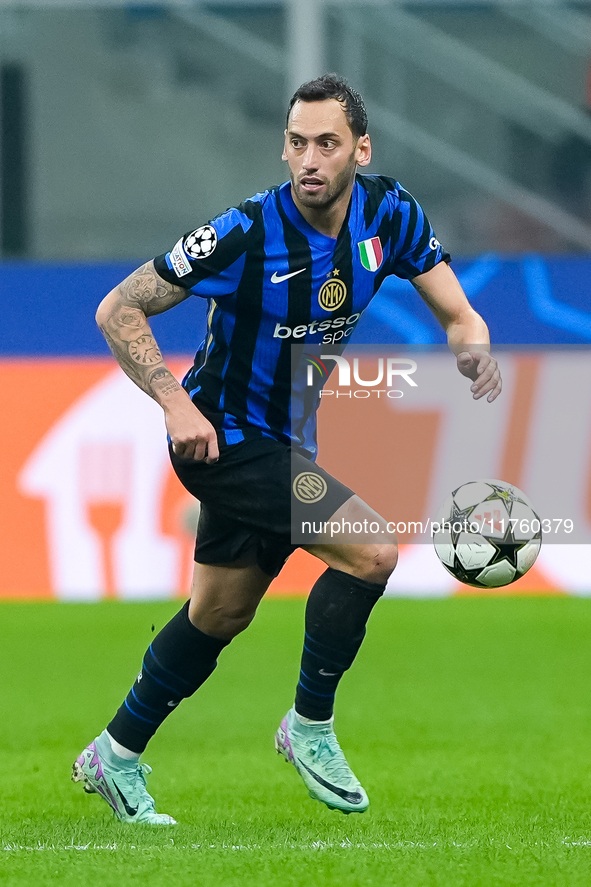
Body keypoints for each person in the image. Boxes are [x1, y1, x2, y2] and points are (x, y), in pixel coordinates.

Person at [72, 74, 501, 825]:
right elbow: (119, 307)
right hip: (222, 439)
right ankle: (309, 726)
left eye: (326, 144)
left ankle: (114, 753)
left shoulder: (389, 215)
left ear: (359, 150)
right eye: (296, 142)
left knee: (219, 612)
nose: (308, 158)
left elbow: (459, 312)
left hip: (287, 439)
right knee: (370, 550)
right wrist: (175, 406)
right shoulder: (244, 233)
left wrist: (472, 347)